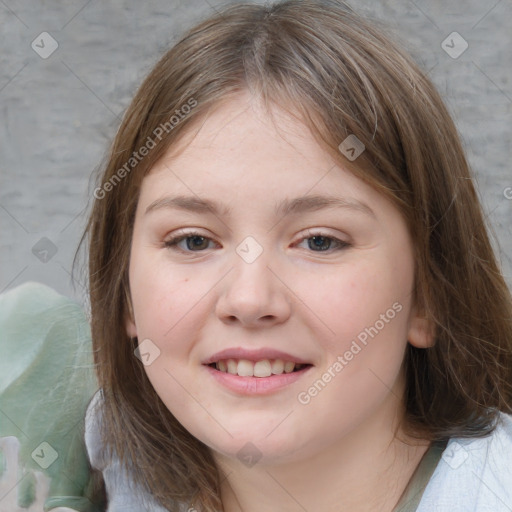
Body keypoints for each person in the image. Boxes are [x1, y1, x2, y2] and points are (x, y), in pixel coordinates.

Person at [80, 1, 512, 511]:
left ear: (429, 295)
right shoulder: (69, 470)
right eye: (193, 241)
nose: (248, 298)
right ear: (126, 293)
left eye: (319, 241)